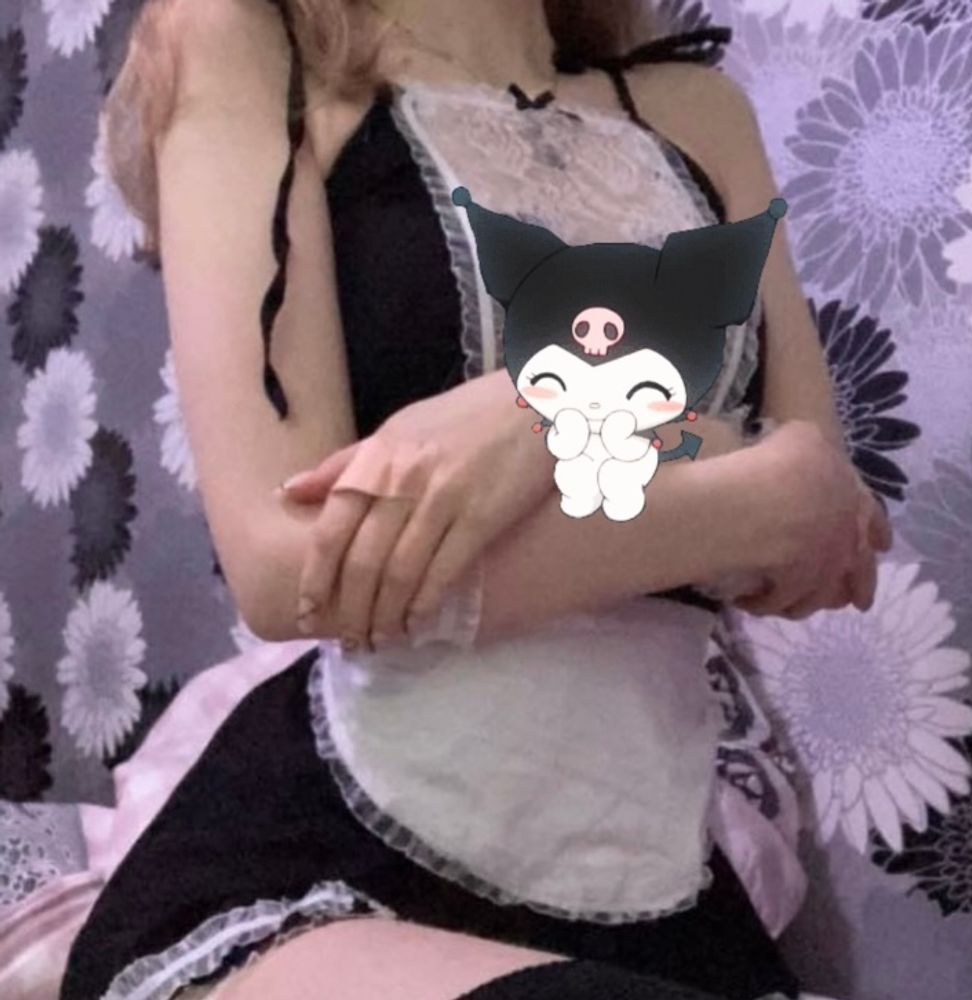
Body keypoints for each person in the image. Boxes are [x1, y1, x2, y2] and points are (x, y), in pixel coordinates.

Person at [60, 0, 891, 998]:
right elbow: (295, 568)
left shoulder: (699, 113)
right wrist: (732, 482)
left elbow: (826, 541)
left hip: (660, 891)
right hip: (311, 880)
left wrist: (543, 420)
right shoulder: (239, 41)